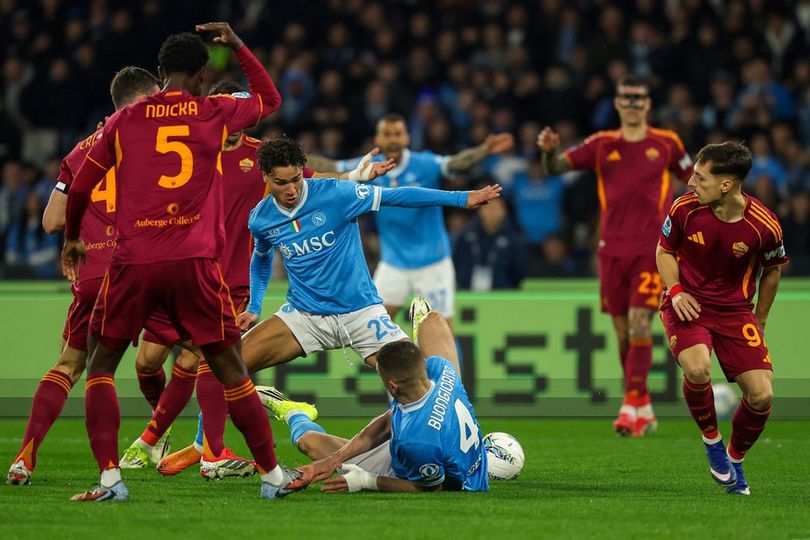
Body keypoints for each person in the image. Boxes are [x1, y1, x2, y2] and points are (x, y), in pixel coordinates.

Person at [59, 23, 302, 502]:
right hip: (194, 263)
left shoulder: (123, 121)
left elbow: (84, 185)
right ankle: (272, 475)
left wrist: (72, 238)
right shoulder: (214, 111)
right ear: (199, 76)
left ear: (161, 72)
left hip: (134, 262)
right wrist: (236, 45)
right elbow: (269, 100)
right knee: (231, 368)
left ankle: (111, 480)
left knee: (101, 366)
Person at [6, 66, 161, 486]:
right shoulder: (155, 139)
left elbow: (51, 221)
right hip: (145, 266)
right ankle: (190, 445)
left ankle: (24, 458)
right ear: (148, 97)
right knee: (211, 352)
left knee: (70, 365)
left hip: (93, 273)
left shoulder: (80, 151)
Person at [538, 74, 694, 437]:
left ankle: (628, 406)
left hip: (651, 250)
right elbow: (556, 168)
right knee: (623, 333)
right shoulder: (602, 143)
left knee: (640, 323)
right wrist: (547, 151)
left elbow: (696, 181)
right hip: (610, 251)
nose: (634, 104)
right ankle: (643, 404)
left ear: (648, 104)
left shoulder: (667, 143)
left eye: (640, 98)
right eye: (627, 98)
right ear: (618, 103)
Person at [656, 141, 787, 496]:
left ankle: (735, 458)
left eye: (700, 177)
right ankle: (712, 441)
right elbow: (664, 251)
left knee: (761, 396)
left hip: (734, 311)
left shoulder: (764, 225)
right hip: (688, 303)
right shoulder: (684, 208)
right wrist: (677, 290)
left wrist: (759, 319)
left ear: (726, 185)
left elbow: (773, 271)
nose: (691, 183)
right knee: (697, 370)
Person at [307, 113, 514, 325]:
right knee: (375, 327)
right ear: (377, 140)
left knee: (441, 330)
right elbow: (326, 165)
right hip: (393, 264)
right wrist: (290, 158)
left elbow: (456, 164)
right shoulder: (367, 168)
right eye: (387, 134)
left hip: (432, 262)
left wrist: (484, 150)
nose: (393, 139)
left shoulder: (425, 163)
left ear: (407, 138)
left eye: (397, 134)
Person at [271, 297, 489, 493]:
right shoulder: (443, 371)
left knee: (310, 443)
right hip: (437, 430)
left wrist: (367, 481)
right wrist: (332, 461)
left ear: (393, 387)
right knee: (432, 321)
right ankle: (419, 337)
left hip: (427, 459)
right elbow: (387, 423)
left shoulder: (416, 443)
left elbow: (431, 489)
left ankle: (295, 412)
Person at [453, 194, 526, 290]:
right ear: (480, 211)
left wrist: (508, 287)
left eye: (496, 208)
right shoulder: (466, 236)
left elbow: (519, 270)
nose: (492, 212)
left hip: (502, 294)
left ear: (504, 212)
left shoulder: (513, 239)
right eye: (488, 208)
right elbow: (456, 262)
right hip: (468, 292)